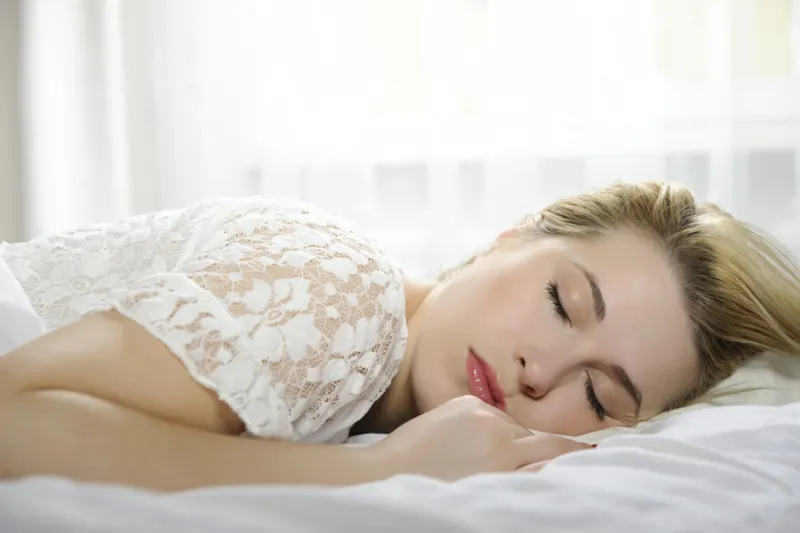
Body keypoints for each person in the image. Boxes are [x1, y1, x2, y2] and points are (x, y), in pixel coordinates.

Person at [1, 181, 799, 491]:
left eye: (597, 393)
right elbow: (12, 418)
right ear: (509, 237)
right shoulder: (342, 292)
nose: (540, 371)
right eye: (562, 301)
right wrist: (385, 467)